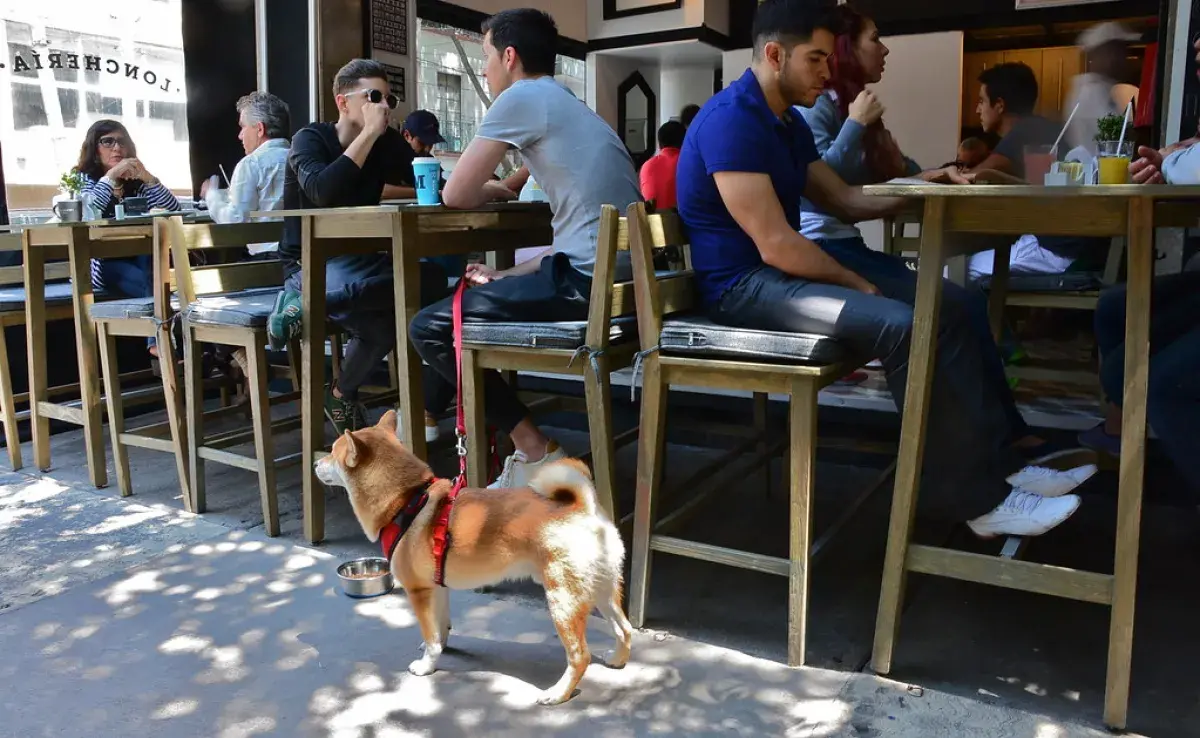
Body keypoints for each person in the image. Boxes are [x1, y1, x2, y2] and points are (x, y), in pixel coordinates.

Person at [677, 0, 1090, 538]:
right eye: (816, 59)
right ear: (775, 54)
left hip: (776, 273)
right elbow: (776, 244)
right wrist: (857, 283)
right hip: (742, 286)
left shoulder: (782, 123)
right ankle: (977, 500)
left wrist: (928, 183)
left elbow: (845, 200)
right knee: (901, 324)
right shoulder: (732, 121)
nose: (828, 71)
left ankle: (1002, 462)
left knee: (956, 302)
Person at [798, 2, 1051, 467]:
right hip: (822, 248)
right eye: (874, 38)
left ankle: (1006, 440)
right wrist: (855, 124)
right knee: (954, 306)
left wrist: (941, 172)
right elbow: (821, 187)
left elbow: (901, 169)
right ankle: (994, 453)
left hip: (845, 243)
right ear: (847, 47)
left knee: (963, 303)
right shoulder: (822, 109)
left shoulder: (855, 109)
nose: (885, 48)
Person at [409, 8, 642, 489]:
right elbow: (577, 242)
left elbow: (454, 196)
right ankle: (500, 439)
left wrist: (494, 189)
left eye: (488, 57)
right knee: (473, 294)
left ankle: (534, 449)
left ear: (510, 57)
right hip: (623, 284)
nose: (487, 69)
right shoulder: (568, 102)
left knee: (430, 326)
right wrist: (508, 275)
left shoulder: (521, 97)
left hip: (587, 288)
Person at [268, 59, 479, 435]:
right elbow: (322, 191)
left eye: (389, 98)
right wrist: (368, 135)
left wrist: (479, 187)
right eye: (374, 97)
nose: (384, 107)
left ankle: (311, 313)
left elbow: (429, 178)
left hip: (361, 263)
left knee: (430, 278)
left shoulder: (386, 143)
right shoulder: (310, 139)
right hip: (310, 264)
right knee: (386, 321)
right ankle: (304, 298)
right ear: (343, 102)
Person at [75, 119, 180, 357]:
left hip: (144, 259)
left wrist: (148, 178)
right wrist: (110, 176)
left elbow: (172, 209)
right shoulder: (85, 180)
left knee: (155, 269)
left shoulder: (135, 182)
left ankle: (161, 347)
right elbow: (88, 211)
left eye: (122, 141)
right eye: (107, 141)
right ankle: (165, 345)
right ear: (94, 147)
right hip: (102, 264)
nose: (116, 148)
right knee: (166, 290)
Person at [203, 91, 291, 256]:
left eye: (243, 126)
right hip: (307, 258)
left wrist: (211, 197)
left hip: (269, 261)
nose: (239, 135)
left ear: (259, 129)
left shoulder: (251, 164)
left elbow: (235, 222)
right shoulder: (301, 159)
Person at [1065, 22, 1141, 153]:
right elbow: (1118, 139)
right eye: (1118, 51)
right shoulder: (1091, 92)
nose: (1122, 58)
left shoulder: (1104, 89)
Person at [640, 120, 685, 210]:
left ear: (660, 144)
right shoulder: (686, 163)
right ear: (684, 141)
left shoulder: (647, 166)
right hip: (681, 221)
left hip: (653, 221)